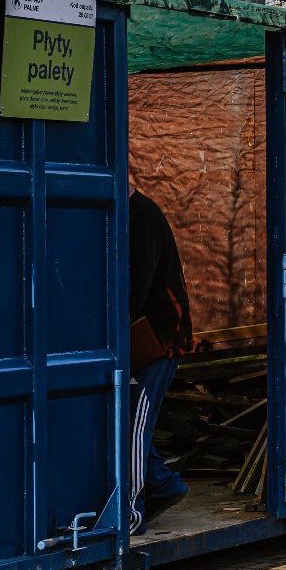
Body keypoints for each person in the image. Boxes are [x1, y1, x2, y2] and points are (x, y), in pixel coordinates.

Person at [128, 186, 193, 533]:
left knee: (133, 426)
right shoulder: (134, 214)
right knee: (131, 423)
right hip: (148, 339)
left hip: (160, 341)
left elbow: (135, 292)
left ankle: (132, 511)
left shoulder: (142, 218)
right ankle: (165, 484)